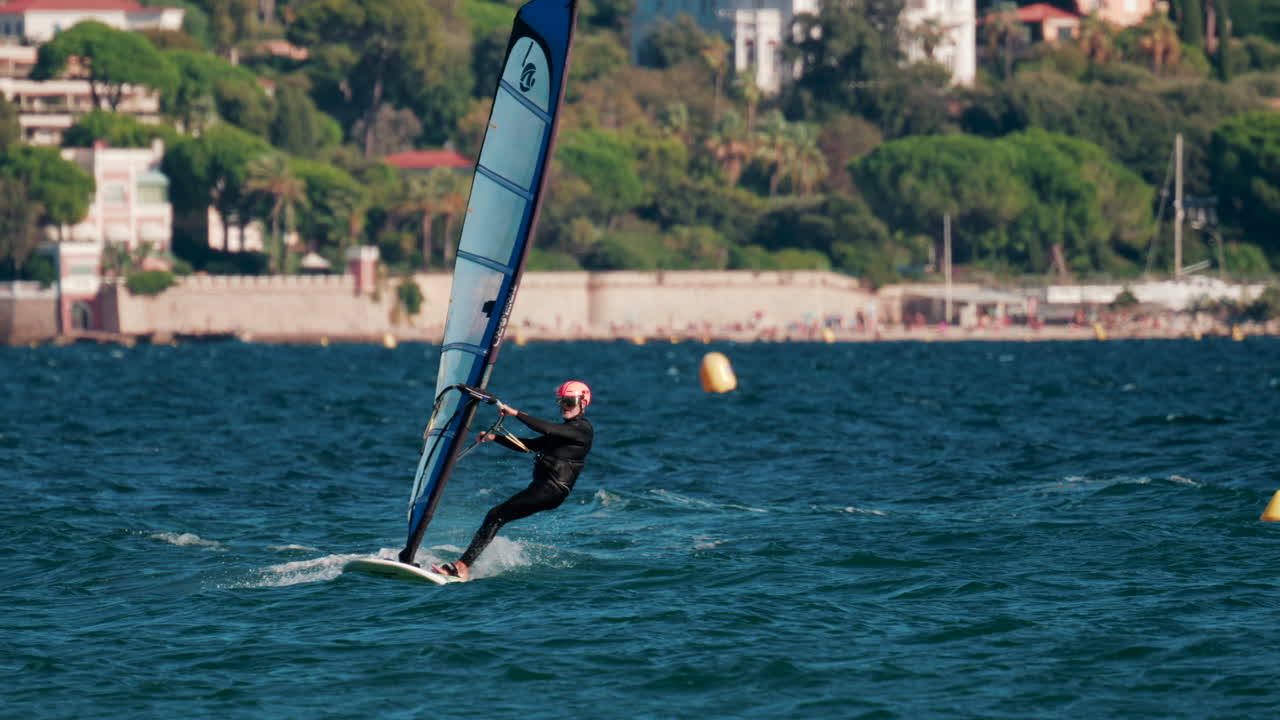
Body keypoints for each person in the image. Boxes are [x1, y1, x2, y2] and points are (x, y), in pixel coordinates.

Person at [432, 380, 594, 581]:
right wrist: (495, 438)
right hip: (542, 488)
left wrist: (516, 413)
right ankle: (463, 565)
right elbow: (531, 445)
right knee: (496, 517)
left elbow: (548, 429)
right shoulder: (565, 431)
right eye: (561, 402)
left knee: (496, 516)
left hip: (551, 490)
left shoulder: (583, 430)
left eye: (569, 402)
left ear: (583, 403)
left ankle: (462, 567)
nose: (564, 406)